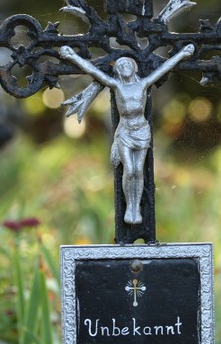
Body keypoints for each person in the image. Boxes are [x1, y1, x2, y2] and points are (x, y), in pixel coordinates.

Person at [59, 44, 195, 224]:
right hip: (125, 132)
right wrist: (72, 57)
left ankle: (134, 208)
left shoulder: (144, 84)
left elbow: (164, 68)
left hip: (142, 131)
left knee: (138, 171)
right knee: (129, 169)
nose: (123, 68)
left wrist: (182, 54)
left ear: (133, 67)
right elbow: (94, 72)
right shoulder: (116, 85)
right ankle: (128, 207)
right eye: (120, 66)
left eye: (126, 65)